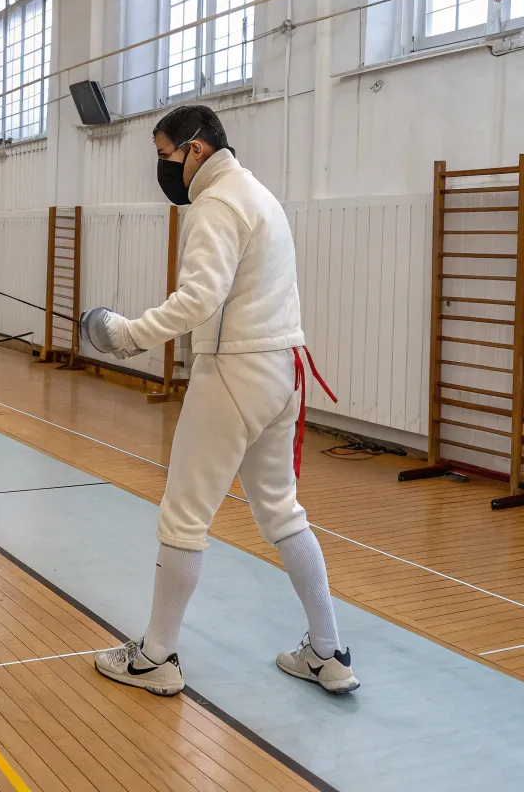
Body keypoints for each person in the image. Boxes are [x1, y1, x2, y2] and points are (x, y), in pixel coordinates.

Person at [81, 105, 358, 696]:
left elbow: (199, 298)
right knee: (281, 512)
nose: (162, 168)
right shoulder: (256, 192)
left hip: (234, 373)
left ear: (196, 149)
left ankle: (155, 657)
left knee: (183, 515)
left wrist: (128, 334)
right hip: (281, 372)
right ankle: (328, 652)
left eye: (164, 155)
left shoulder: (216, 203)